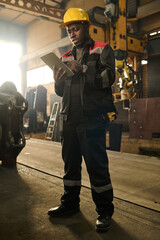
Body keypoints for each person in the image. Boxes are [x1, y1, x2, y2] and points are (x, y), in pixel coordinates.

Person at [48, 8, 116, 232]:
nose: (72, 33)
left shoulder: (102, 50)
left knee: (97, 167)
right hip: (69, 119)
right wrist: (57, 81)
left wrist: (84, 69)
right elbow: (61, 92)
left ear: (87, 27)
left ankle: (104, 211)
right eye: (69, 30)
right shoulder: (65, 57)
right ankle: (70, 204)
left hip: (93, 119)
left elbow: (108, 78)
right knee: (70, 166)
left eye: (75, 28)